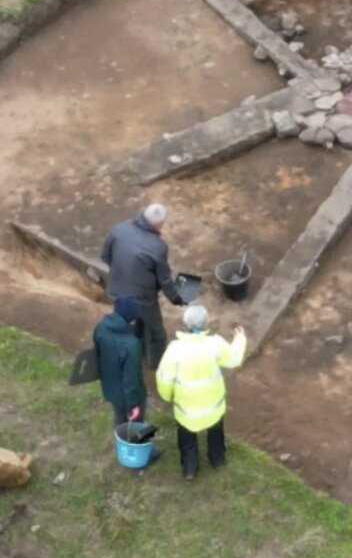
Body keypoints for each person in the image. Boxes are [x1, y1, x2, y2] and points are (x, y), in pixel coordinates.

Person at [156, 306, 247, 480]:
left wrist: (168, 397)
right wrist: (240, 338)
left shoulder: (175, 350)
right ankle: (217, 460)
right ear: (206, 324)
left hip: (186, 411)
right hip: (213, 407)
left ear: (186, 324)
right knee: (216, 435)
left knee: (187, 439)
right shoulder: (215, 344)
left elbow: (164, 379)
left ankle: (190, 469)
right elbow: (234, 358)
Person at [101, 203, 185, 371]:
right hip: (143, 298)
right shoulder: (158, 247)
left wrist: (122, 273)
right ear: (158, 224)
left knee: (131, 322)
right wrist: (176, 298)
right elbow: (164, 279)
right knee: (156, 333)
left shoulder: (119, 229)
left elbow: (105, 256)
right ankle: (156, 364)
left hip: (117, 291)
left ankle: (133, 350)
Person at [94, 296, 148, 427]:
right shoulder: (131, 344)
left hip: (110, 387)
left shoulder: (101, 328)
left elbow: (97, 354)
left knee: (119, 417)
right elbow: (131, 379)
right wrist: (133, 405)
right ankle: (134, 446)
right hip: (128, 395)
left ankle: (120, 442)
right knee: (135, 425)